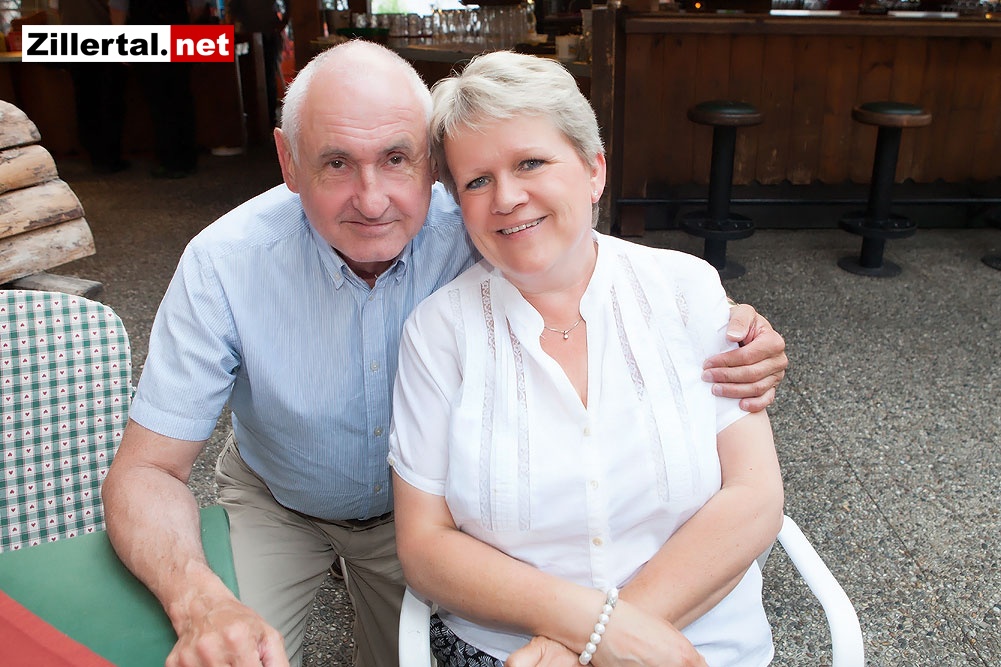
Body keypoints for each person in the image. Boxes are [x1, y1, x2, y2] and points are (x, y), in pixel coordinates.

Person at [101, 41, 788, 667]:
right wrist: (198, 601)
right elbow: (147, 470)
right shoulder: (226, 263)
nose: (372, 200)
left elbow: (580, 254)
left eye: (396, 158)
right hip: (283, 500)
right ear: (287, 161)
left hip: (433, 521)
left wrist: (728, 326)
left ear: (431, 166)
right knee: (219, 654)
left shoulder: (487, 224)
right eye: (336, 162)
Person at [389, 51, 785, 667]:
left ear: (593, 169)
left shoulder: (687, 291)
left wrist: (588, 643)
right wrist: (594, 629)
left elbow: (753, 495)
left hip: (696, 644)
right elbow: (424, 546)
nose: (506, 197)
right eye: (477, 181)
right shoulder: (437, 333)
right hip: (506, 651)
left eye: (530, 163)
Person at [127, 0, 199, 178]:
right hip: (178, 34)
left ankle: (170, 160)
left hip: (145, 37)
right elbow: (198, 5)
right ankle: (187, 158)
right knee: (182, 98)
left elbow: (117, 8)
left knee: (159, 103)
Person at [58, 0, 130, 174]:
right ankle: (109, 157)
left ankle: (94, 154)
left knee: (85, 102)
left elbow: (56, 10)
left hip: (74, 43)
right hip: (105, 41)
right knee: (109, 102)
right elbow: (118, 8)